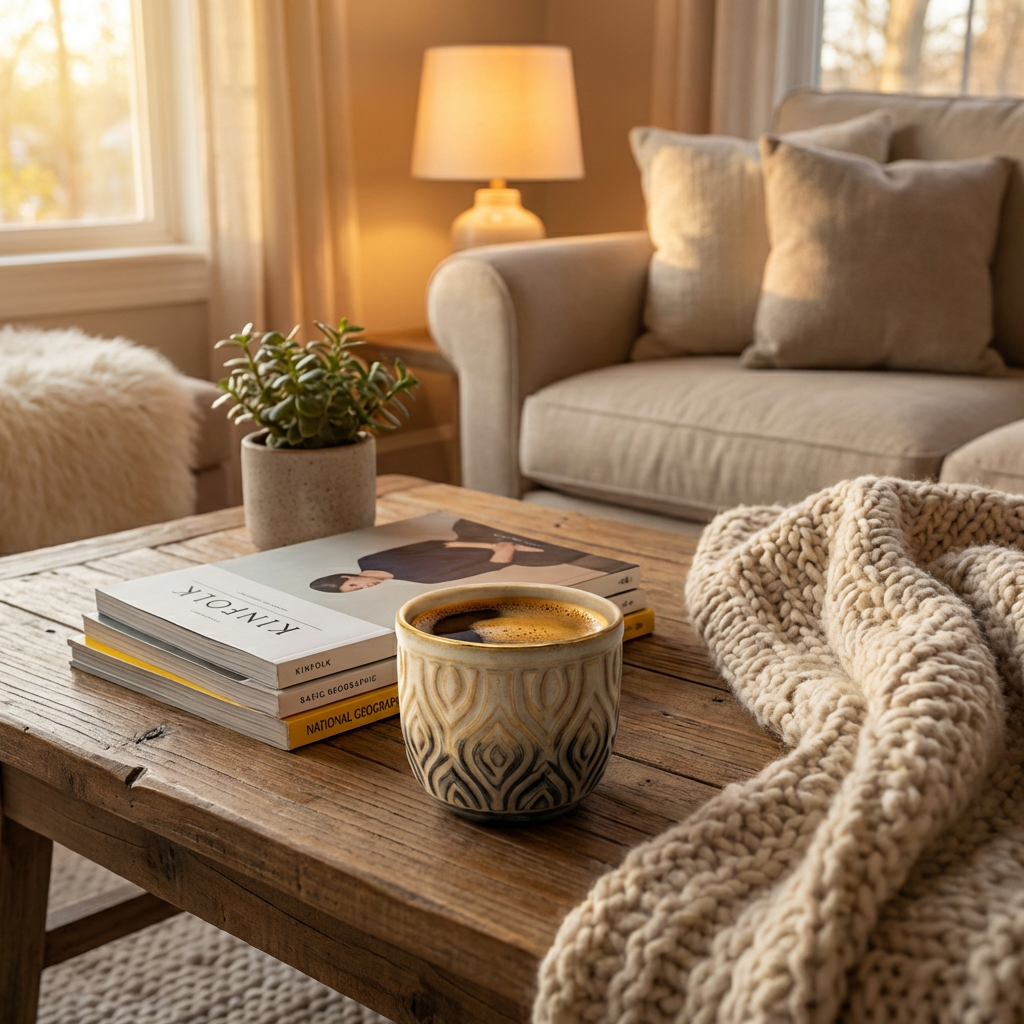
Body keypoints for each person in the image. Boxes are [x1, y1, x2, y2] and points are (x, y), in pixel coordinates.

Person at [309, 518, 590, 593]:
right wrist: (503, 554)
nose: (364, 587)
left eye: (354, 584)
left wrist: (491, 546)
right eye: (356, 591)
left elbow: (437, 545)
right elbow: (484, 570)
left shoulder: (370, 561)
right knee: (557, 556)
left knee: (465, 525)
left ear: (346, 575)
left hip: (476, 542)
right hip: (502, 555)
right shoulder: (423, 583)